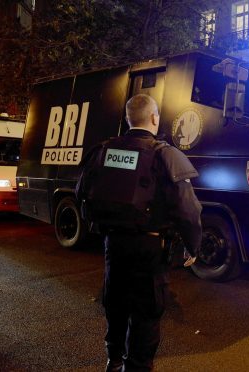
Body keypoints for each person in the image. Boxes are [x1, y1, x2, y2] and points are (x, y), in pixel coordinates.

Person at [77, 94, 202, 371]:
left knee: (116, 302)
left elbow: (82, 192)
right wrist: (193, 247)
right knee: (146, 311)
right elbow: (188, 210)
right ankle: (137, 366)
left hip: (113, 244)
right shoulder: (164, 154)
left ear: (127, 119)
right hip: (149, 247)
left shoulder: (103, 150)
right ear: (155, 118)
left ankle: (113, 359)